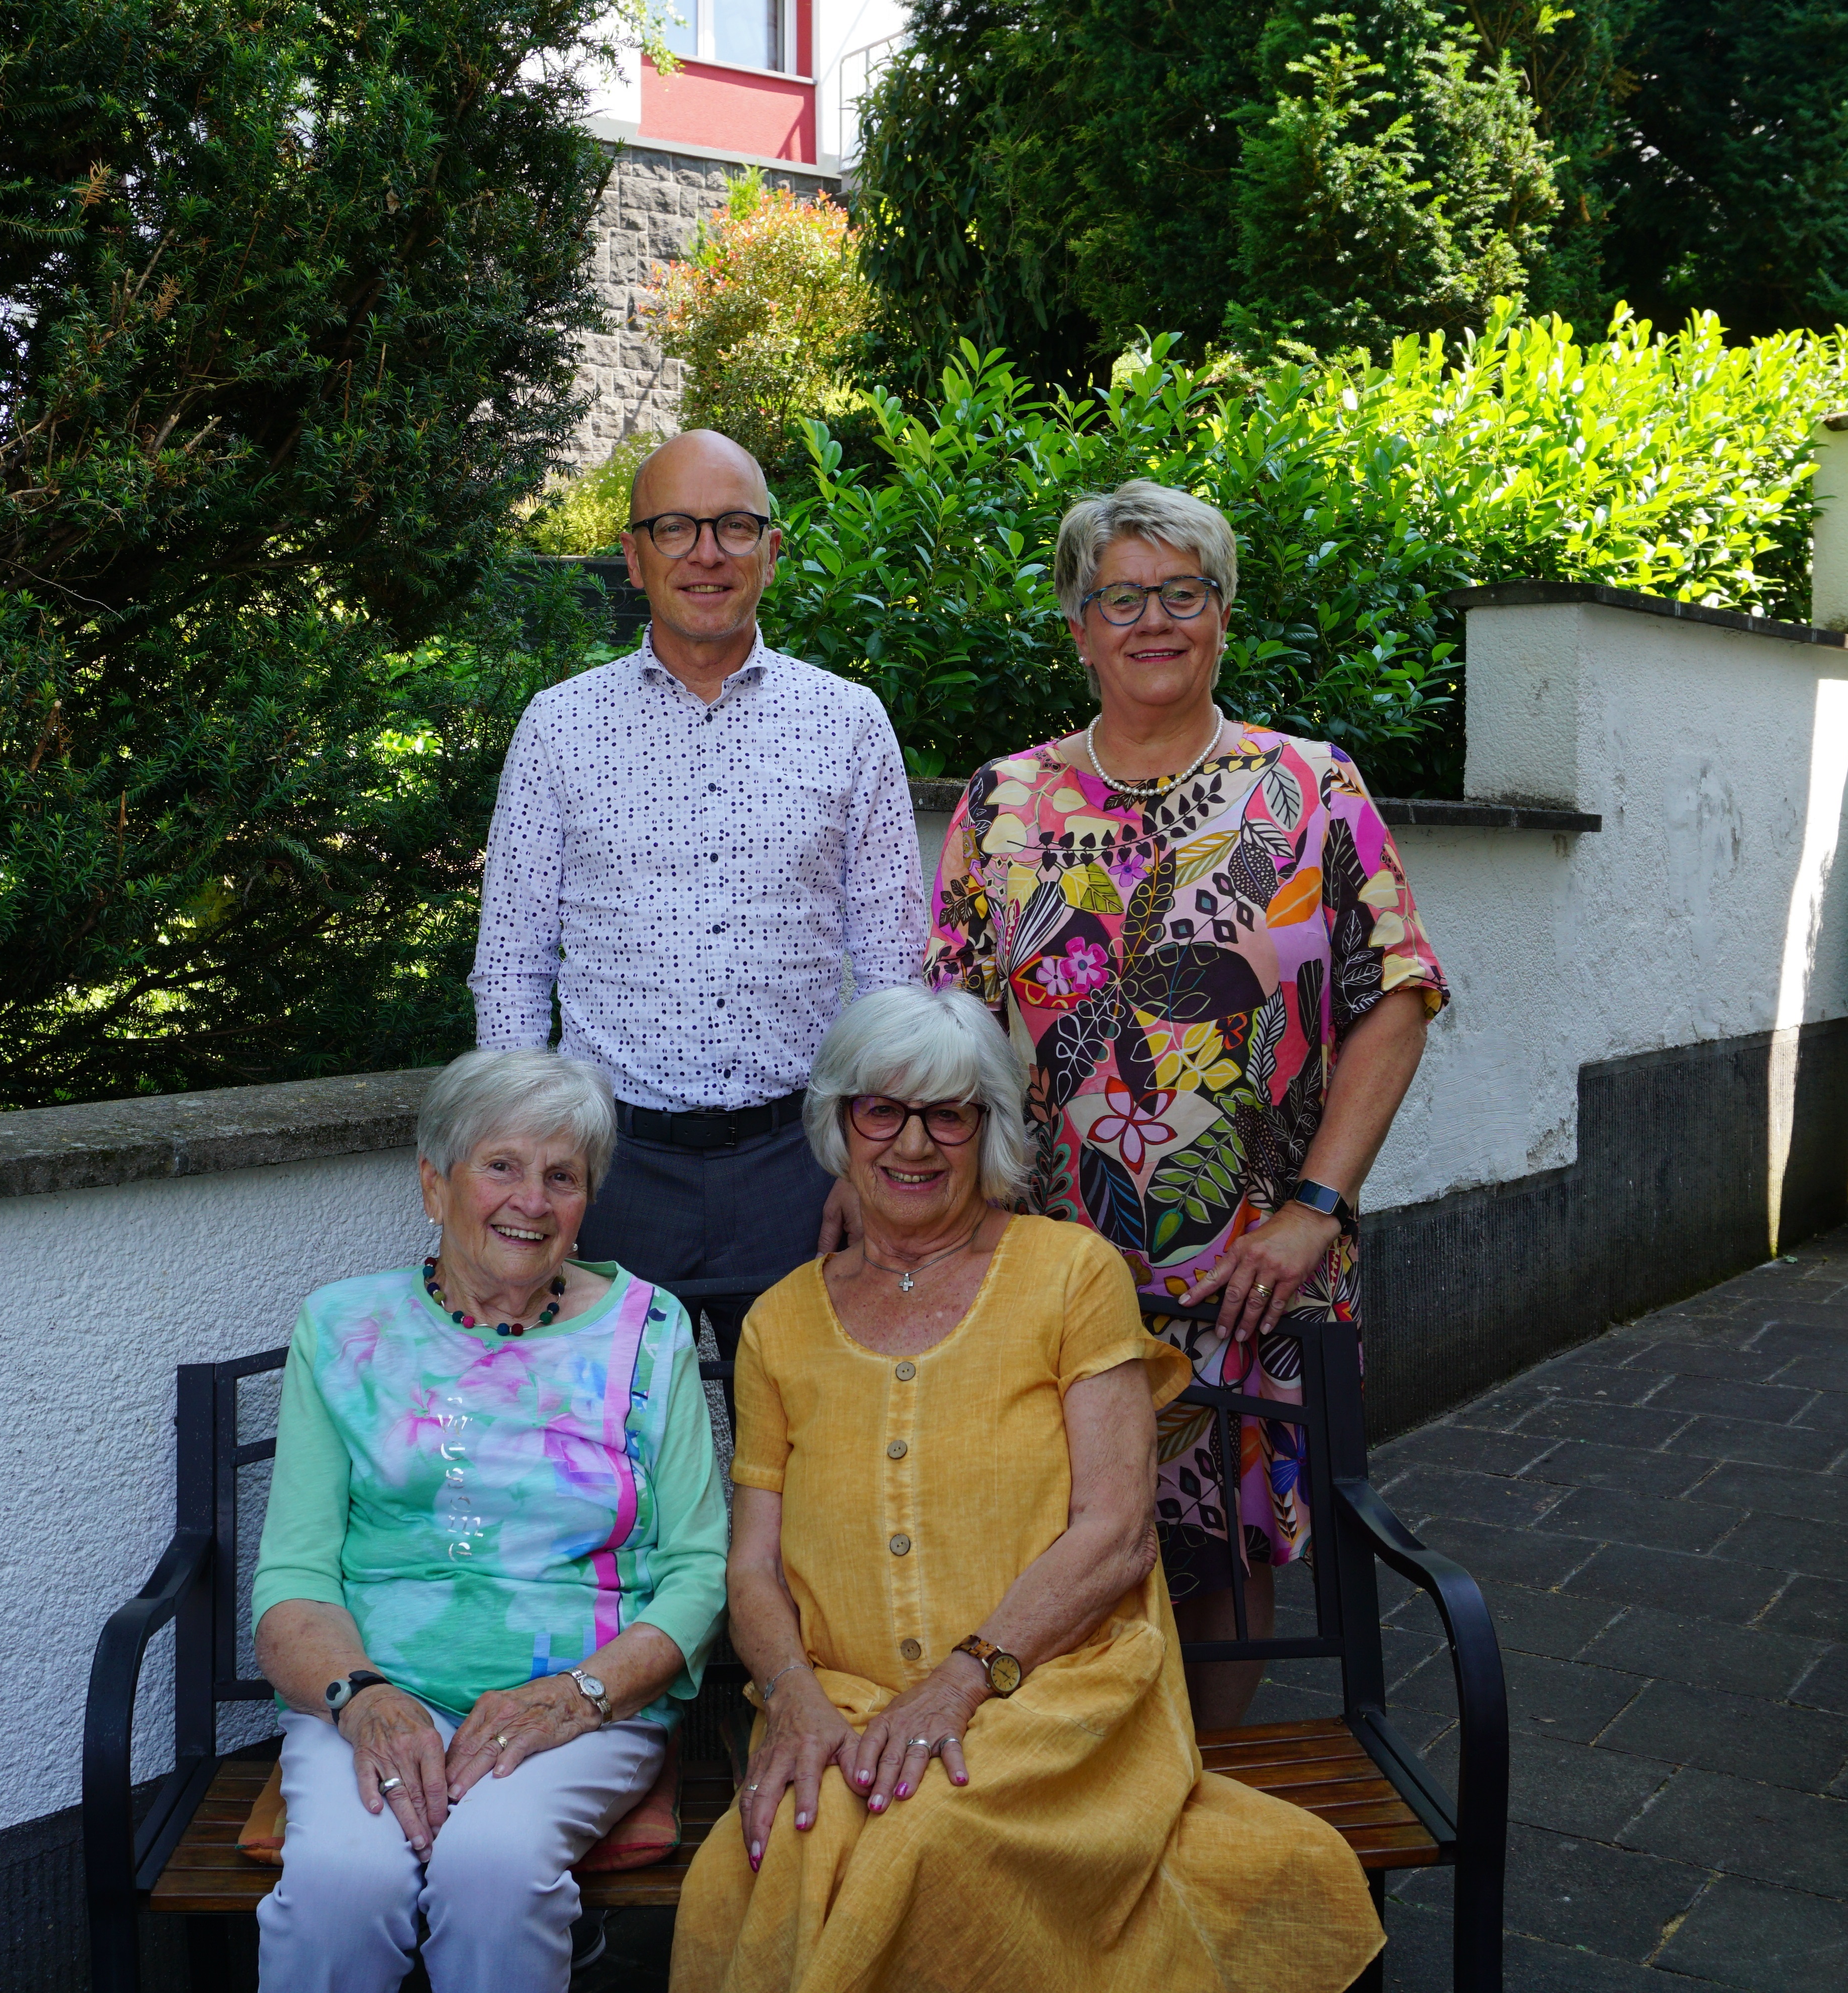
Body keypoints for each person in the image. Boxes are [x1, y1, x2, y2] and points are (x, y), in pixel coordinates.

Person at [671, 986, 1384, 1993]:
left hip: (1051, 1690)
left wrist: (963, 1681)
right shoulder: (783, 1319)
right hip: (842, 1698)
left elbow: (1118, 1531)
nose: (913, 1142)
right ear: (839, 1122)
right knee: (801, 1826)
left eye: (949, 1112)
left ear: (990, 1131)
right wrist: (791, 1698)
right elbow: (750, 1562)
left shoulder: (1069, 1274)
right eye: (882, 1108)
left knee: (927, 1827)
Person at [923, 478, 1445, 1722]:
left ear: (1221, 614)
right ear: (1079, 625)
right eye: (1122, 597)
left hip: (1257, 1263)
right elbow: (946, 1028)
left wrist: (1318, 1203)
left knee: (1226, 1548)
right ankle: (1083, 1802)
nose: (1153, 620)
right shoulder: (1004, 804)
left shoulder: (1311, 787)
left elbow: (1399, 993)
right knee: (1054, 1536)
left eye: (1183, 593)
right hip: (1056, 1266)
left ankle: (1196, 1805)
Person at [248, 1047, 728, 1993]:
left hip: (582, 1706)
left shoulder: (651, 1328)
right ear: (434, 1184)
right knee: (344, 1880)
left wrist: (581, 1697)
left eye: (562, 1177)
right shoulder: (343, 1330)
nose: (531, 1201)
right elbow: (296, 1573)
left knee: (495, 1867)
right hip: (377, 1693)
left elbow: (700, 1568)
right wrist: (364, 1698)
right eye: (500, 1166)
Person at [472, 429, 923, 1316]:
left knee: (810, 1445)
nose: (707, 553)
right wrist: (529, 1170)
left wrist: (870, 1166)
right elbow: (513, 966)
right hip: (609, 1174)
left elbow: (893, 975)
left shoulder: (850, 722)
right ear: (634, 559)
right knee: (605, 1443)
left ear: (773, 550)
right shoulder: (559, 727)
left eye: (734, 527)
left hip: (801, 1171)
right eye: (674, 528)